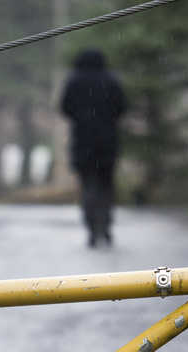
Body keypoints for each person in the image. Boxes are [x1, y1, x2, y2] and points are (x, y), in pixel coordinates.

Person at [60, 49, 126, 248]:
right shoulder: (111, 80)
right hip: (108, 142)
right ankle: (105, 226)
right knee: (106, 186)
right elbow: (122, 107)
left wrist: (83, 118)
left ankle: (91, 228)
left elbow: (64, 108)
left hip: (83, 142)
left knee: (88, 186)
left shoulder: (74, 81)